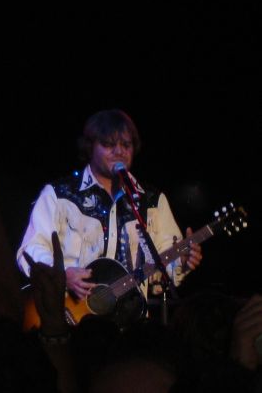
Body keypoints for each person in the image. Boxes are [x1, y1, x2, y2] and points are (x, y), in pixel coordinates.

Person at [16, 109, 202, 317]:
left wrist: (181, 262)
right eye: (108, 144)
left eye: (126, 145)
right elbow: (31, 250)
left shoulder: (151, 201)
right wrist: (62, 276)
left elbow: (162, 273)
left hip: (129, 321)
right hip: (66, 316)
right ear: (90, 147)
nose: (119, 151)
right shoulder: (59, 195)